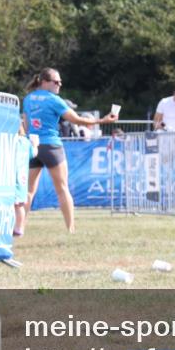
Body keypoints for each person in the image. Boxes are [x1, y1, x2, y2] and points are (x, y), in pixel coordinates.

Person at [23, 68, 118, 233]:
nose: (59, 84)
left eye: (60, 81)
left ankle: (20, 227)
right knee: (62, 188)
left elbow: (25, 124)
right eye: (56, 82)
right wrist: (102, 120)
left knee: (29, 190)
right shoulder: (54, 100)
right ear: (44, 82)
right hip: (51, 146)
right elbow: (77, 119)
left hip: (33, 146)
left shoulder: (28, 99)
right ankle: (70, 229)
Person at [12, 127, 37, 238]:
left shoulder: (9, 141)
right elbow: (34, 153)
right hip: (22, 178)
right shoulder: (25, 142)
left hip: (11, 177)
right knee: (20, 205)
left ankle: (13, 227)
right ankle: (19, 228)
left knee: (13, 205)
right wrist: (35, 145)